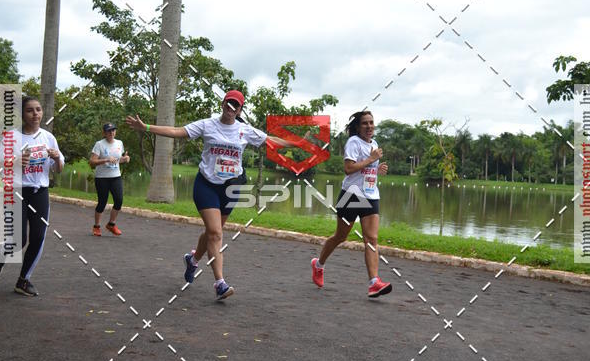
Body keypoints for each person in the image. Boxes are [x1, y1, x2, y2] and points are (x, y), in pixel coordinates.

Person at [126, 90, 296, 301]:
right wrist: (147, 128)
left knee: (211, 232)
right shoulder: (207, 125)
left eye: (236, 106)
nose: (231, 108)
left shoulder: (245, 130)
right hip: (206, 185)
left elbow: (271, 141)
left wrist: (297, 143)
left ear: (240, 109)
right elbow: (177, 131)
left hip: (229, 189)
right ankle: (220, 284)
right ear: (223, 103)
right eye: (229, 103)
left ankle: (193, 259)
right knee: (216, 233)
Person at [311, 109, 392, 298]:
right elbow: (348, 169)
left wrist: (376, 168)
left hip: (371, 195)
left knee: (371, 239)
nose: (369, 126)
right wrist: (371, 159)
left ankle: (374, 283)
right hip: (351, 196)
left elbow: (365, 169)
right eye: (365, 123)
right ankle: (318, 264)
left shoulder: (375, 143)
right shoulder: (353, 142)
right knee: (340, 236)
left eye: (371, 122)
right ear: (357, 127)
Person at [0, 96, 64, 297]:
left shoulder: (48, 137)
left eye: (38, 109)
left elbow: (59, 169)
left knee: (38, 236)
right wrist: (17, 160)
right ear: (22, 114)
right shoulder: (11, 137)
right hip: (17, 191)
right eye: (30, 110)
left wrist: (56, 158)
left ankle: (23, 281)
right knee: (17, 239)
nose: (35, 114)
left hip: (40, 193)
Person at [90, 123, 130, 236]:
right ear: (104, 133)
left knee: (119, 200)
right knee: (102, 203)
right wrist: (105, 160)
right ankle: (96, 226)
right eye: (109, 131)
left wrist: (125, 159)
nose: (111, 133)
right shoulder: (99, 144)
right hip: (102, 178)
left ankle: (111, 224)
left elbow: (118, 160)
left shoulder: (119, 143)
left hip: (115, 176)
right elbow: (92, 162)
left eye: (113, 130)